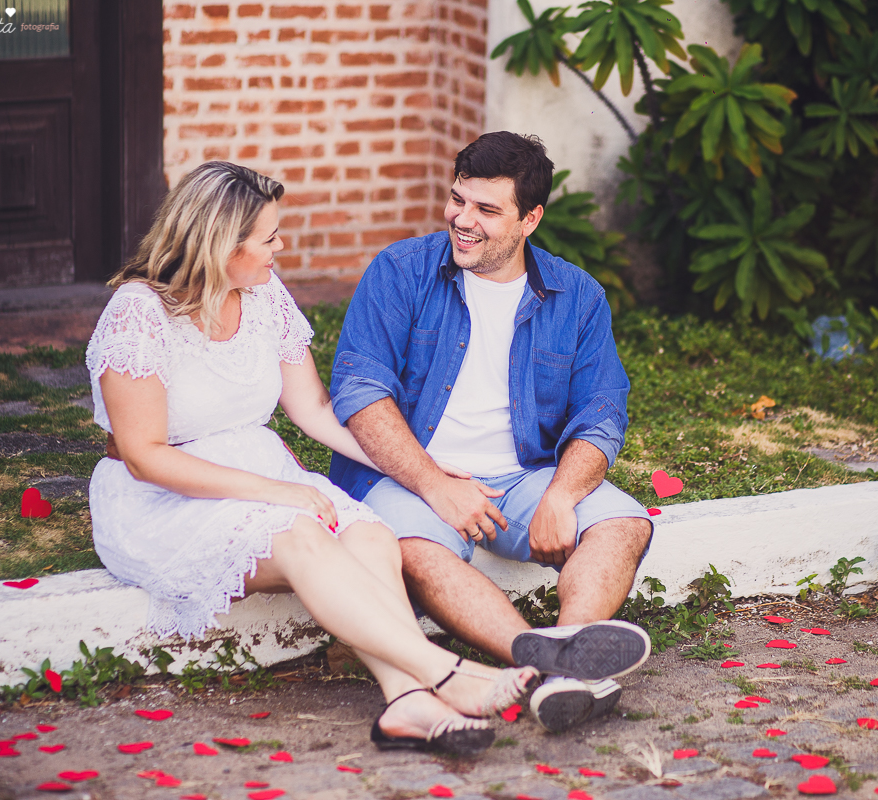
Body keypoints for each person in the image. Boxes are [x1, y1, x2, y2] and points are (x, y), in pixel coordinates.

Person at [86, 161, 539, 756]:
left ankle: (405, 703)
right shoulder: (138, 314)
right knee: (302, 533)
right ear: (222, 245)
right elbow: (146, 457)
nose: (282, 247)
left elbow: (316, 411)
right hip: (164, 497)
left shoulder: (264, 294)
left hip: (263, 471)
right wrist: (280, 493)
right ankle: (446, 673)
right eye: (269, 237)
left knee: (371, 537)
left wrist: (420, 472)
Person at [329, 132, 654, 733]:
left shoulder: (576, 296)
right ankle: (541, 665)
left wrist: (561, 493)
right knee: (414, 554)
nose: (462, 220)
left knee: (624, 524)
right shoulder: (401, 272)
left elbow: (602, 411)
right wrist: (434, 484)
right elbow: (360, 393)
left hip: (524, 476)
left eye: (486, 209)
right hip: (410, 474)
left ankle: (568, 651)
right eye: (458, 201)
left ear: (530, 219)